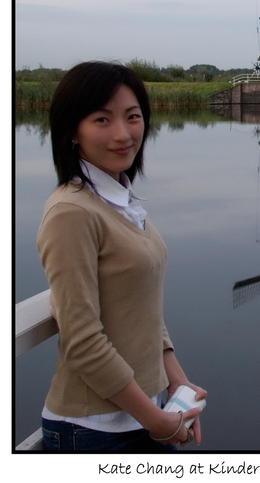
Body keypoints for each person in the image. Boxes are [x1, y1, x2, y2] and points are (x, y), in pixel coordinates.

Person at [37, 61, 207, 452]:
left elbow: (138, 303)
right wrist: (158, 423)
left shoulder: (118, 199)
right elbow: (81, 340)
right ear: (72, 132)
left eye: (133, 117)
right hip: (94, 430)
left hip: (143, 412)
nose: (122, 134)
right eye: (101, 120)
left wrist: (175, 380)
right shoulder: (72, 213)